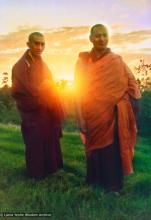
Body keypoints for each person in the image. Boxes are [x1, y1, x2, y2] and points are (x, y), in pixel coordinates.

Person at [74, 24, 141, 192]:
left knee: (112, 151)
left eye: (104, 35)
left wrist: (128, 104)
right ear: (90, 38)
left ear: (108, 37)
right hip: (91, 114)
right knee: (94, 150)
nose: (101, 39)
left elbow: (132, 84)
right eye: (97, 36)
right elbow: (77, 90)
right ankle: (94, 182)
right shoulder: (82, 62)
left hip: (113, 115)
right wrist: (80, 117)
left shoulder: (116, 60)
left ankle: (113, 186)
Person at [11, 32, 64, 179]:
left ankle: (51, 170)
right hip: (32, 112)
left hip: (47, 110)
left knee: (50, 138)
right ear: (28, 44)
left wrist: (50, 91)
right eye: (36, 43)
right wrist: (43, 91)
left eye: (43, 44)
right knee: (35, 141)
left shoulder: (42, 64)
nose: (40, 47)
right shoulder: (20, 66)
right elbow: (20, 91)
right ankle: (36, 175)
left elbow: (51, 85)